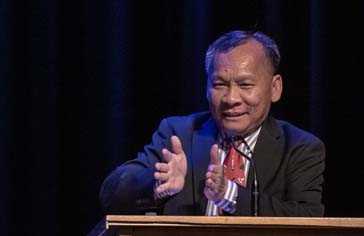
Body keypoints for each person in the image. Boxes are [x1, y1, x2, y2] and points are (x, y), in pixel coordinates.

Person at [99, 30, 325, 217]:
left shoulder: (299, 148)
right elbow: (111, 195)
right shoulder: (179, 134)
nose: (231, 99)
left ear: (275, 88)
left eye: (245, 85)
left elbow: (308, 218)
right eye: (219, 84)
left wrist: (230, 193)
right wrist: (158, 184)